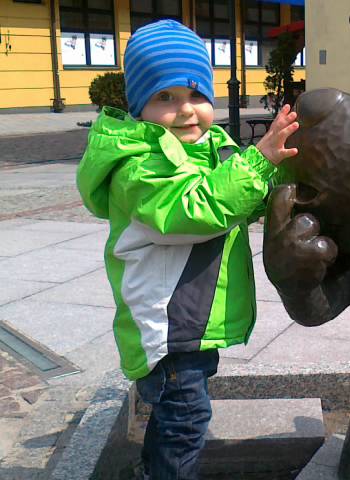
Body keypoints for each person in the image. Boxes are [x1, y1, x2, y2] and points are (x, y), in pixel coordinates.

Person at [76, 19, 298, 480]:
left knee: (176, 416)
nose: (185, 110)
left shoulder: (213, 148)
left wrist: (287, 168)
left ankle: (151, 470)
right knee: (187, 420)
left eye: (196, 94)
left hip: (194, 318)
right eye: (165, 97)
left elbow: (247, 197)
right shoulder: (138, 165)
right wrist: (259, 162)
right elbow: (193, 212)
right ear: (138, 107)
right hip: (168, 324)